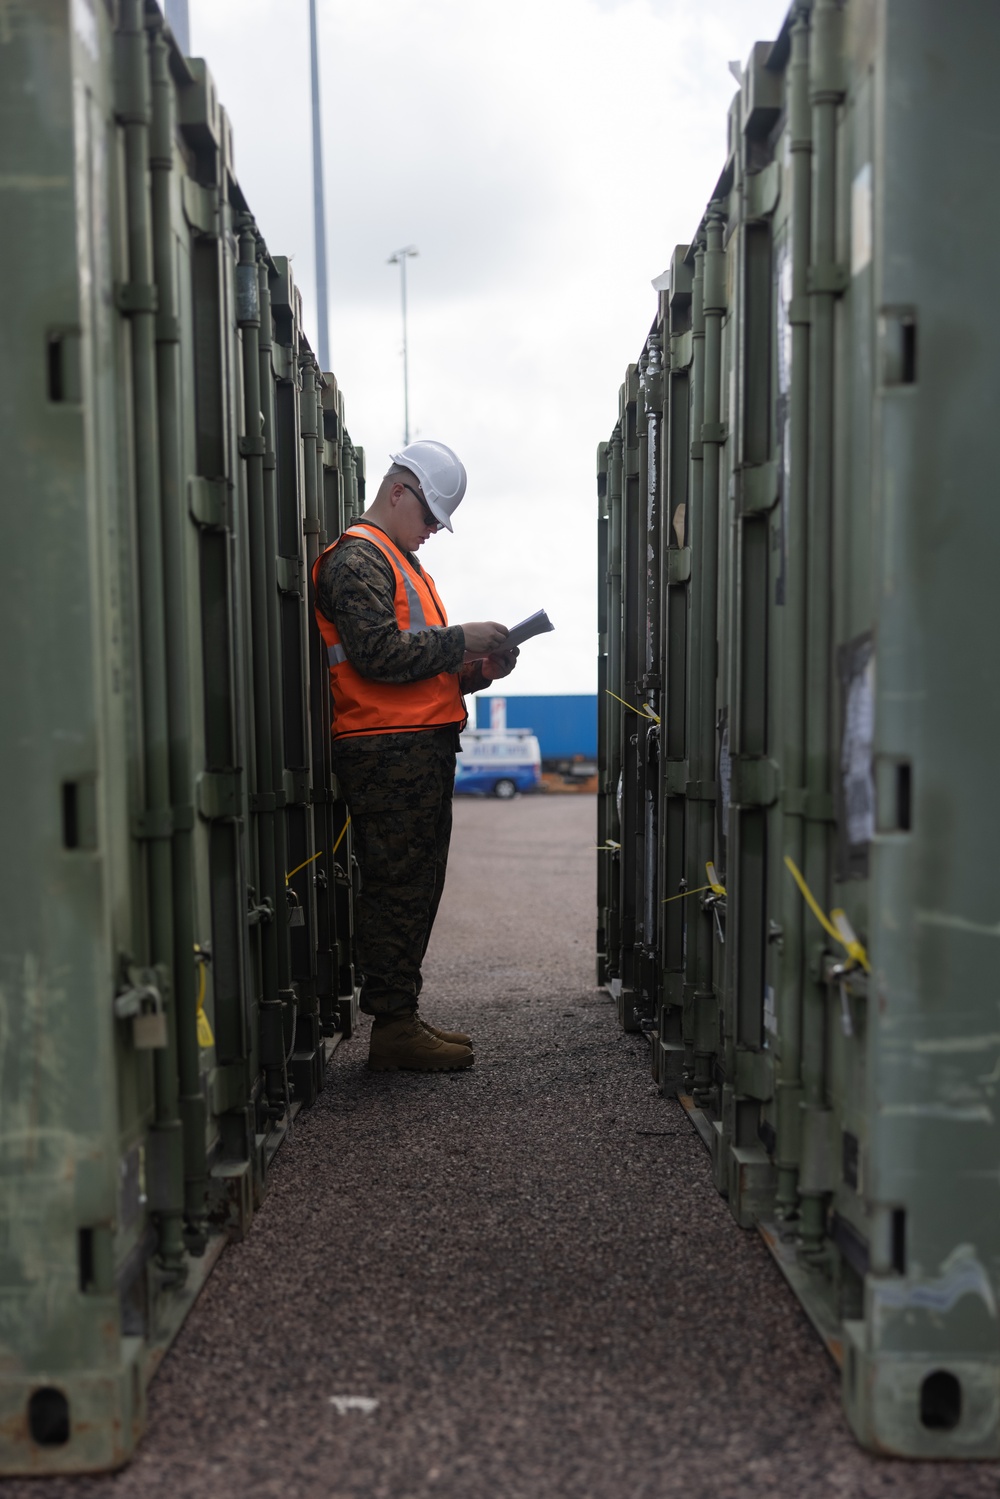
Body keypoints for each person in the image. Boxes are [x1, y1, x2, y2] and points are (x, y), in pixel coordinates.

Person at [312, 440, 518, 1072]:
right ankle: (393, 1026)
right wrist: (460, 639)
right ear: (398, 492)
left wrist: (474, 670)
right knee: (397, 886)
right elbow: (374, 653)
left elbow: (416, 667)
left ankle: (401, 1015)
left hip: (415, 747)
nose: (432, 532)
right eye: (430, 518)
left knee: (417, 885)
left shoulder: (400, 562)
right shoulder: (358, 559)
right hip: (384, 752)